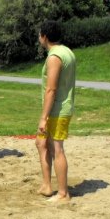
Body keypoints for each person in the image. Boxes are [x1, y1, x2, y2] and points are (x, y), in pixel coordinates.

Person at [35, 20, 76, 202]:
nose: (38, 38)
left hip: (58, 110)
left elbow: (51, 89)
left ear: (44, 36)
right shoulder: (67, 51)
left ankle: (63, 194)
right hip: (55, 109)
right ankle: (46, 185)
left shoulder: (55, 57)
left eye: (39, 35)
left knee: (57, 149)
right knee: (41, 143)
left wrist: (43, 118)